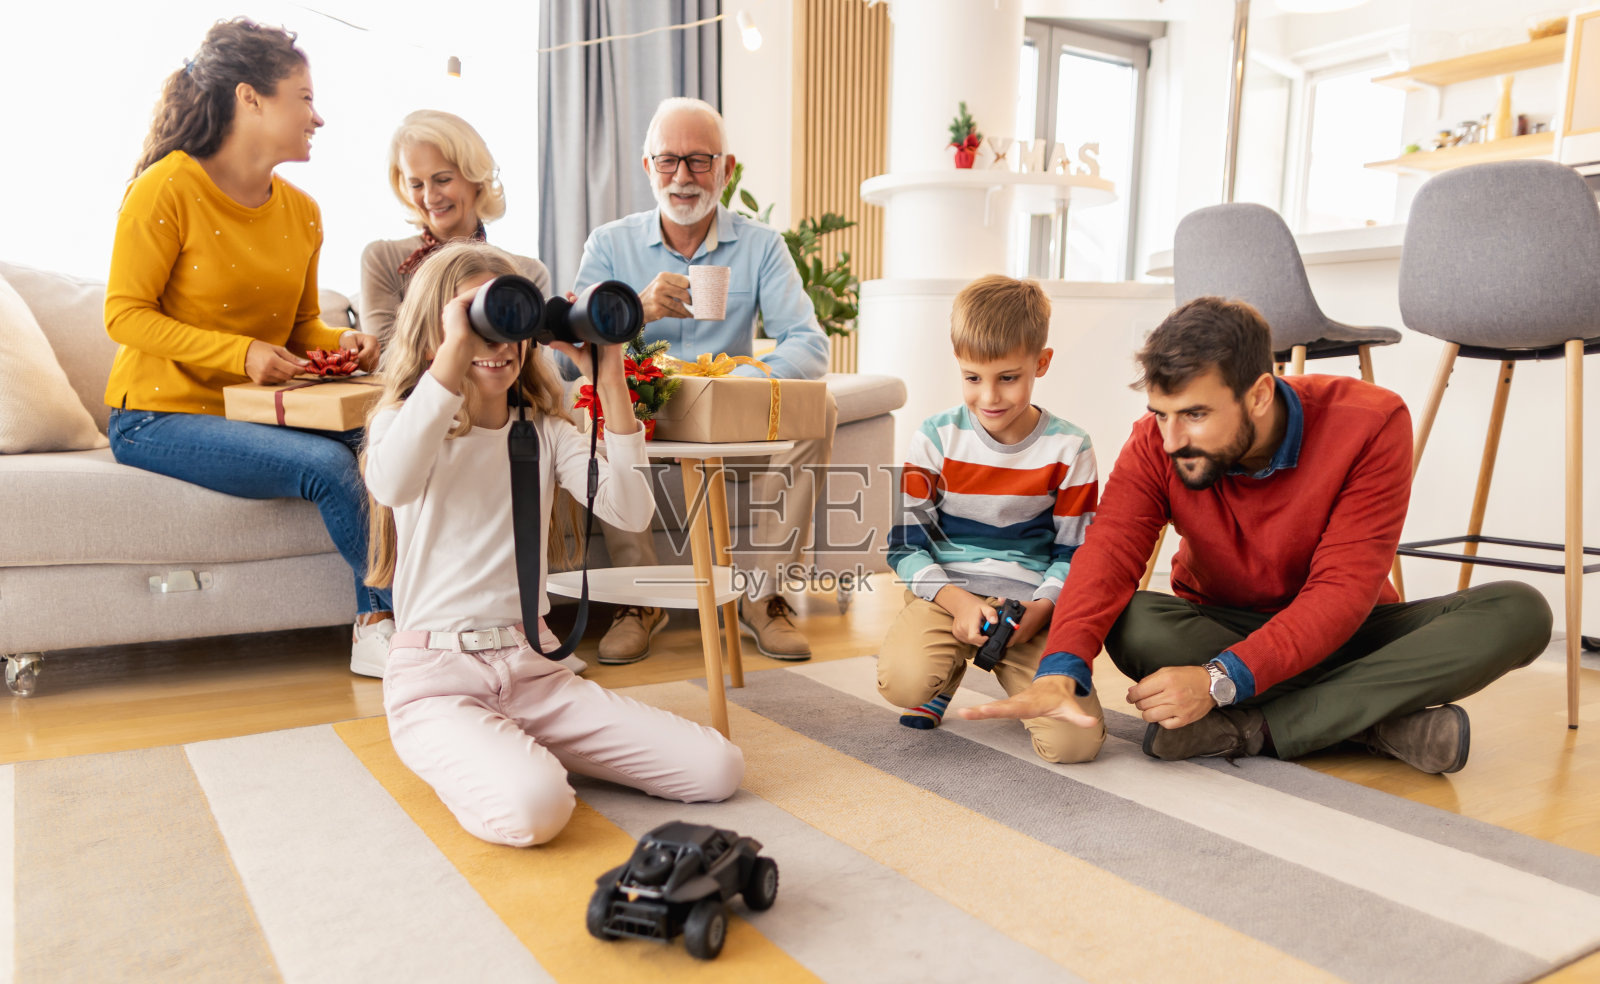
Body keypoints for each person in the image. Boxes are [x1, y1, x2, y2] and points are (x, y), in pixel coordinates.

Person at [961, 296, 1552, 774]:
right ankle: (1376, 723)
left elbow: (1342, 593)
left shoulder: (1372, 423)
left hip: (1348, 627)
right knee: (1133, 618)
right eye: (1161, 414)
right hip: (1219, 623)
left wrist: (1221, 685)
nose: (1171, 440)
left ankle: (1253, 729)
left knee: (1518, 612)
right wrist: (1061, 666)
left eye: (1194, 415)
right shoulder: (1157, 440)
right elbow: (1110, 552)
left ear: (1260, 394)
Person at [361, 242, 744, 847]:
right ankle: (466, 747)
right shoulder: (408, 422)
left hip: (534, 667)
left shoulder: (541, 431)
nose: (499, 343)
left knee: (717, 769)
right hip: (437, 676)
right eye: (482, 321)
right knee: (537, 809)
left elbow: (631, 509)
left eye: (510, 323)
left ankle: (511, 745)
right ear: (440, 330)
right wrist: (455, 349)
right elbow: (392, 481)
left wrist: (607, 374)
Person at [102, 18, 391, 677]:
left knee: (392, 442)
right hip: (156, 415)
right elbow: (123, 315)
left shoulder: (303, 211)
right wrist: (241, 354)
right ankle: (385, 629)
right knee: (329, 465)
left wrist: (342, 341)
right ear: (249, 98)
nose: (318, 117)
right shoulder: (167, 188)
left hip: (252, 409)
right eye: (305, 97)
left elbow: (299, 329)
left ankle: (458, 624)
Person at [571, 97, 837, 666]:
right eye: (669, 161)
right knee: (585, 406)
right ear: (648, 168)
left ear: (726, 168)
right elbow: (578, 349)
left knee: (822, 408)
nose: (684, 178)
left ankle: (763, 598)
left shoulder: (762, 246)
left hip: (728, 419)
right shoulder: (610, 244)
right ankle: (638, 601)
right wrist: (636, 310)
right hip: (640, 419)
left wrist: (742, 379)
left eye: (699, 161)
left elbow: (810, 344)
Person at [878, 276, 1105, 764]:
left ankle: (1003, 667)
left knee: (1074, 745)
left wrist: (1040, 611)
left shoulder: (1070, 447)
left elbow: (1077, 552)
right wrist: (958, 602)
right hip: (948, 594)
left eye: (1008, 377)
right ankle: (939, 678)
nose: (989, 397)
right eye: (972, 377)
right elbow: (904, 545)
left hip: (1026, 606)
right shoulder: (936, 437)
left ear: (1041, 364)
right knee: (903, 681)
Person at [360, 110, 552, 348]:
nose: (430, 197)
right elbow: (387, 360)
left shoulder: (527, 273)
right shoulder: (385, 260)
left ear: (476, 178)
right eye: (416, 184)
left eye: (442, 180)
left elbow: (534, 373)